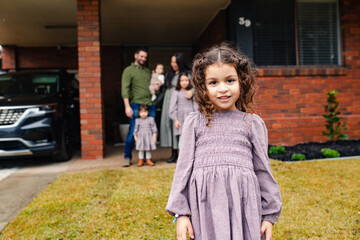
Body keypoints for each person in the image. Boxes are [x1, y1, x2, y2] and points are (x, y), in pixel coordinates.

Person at [166, 43, 282, 240]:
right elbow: (183, 170)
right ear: (202, 86)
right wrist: (182, 214)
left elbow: (263, 170)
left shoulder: (252, 123)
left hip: (243, 208)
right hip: (205, 210)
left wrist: (269, 216)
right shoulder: (194, 123)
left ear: (242, 81)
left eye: (230, 80)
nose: (223, 89)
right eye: (213, 83)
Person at [121, 47, 156, 167]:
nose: (143, 59)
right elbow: (124, 89)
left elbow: (153, 85)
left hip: (149, 105)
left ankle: (147, 158)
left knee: (150, 131)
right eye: (141, 56)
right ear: (135, 56)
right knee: (133, 131)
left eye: (145, 57)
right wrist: (127, 106)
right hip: (136, 104)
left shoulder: (147, 71)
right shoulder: (128, 70)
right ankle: (127, 156)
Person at [160, 53, 191, 163]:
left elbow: (195, 86)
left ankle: (182, 153)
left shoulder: (187, 74)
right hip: (169, 101)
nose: (173, 64)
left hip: (181, 101)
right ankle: (173, 152)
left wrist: (191, 92)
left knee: (181, 127)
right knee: (170, 125)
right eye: (172, 62)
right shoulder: (170, 74)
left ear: (180, 62)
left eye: (175, 62)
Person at [168, 72, 198, 150]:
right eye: (182, 80)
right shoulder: (176, 93)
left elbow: (195, 105)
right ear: (179, 82)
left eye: (186, 80)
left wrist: (196, 116)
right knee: (182, 138)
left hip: (190, 116)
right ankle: (181, 157)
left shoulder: (191, 93)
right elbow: (172, 107)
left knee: (191, 137)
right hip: (180, 118)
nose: (184, 82)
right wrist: (175, 119)